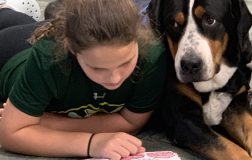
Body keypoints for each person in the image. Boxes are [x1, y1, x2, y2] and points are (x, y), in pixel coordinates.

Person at [0, 0, 166, 159]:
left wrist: (50, 123)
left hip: (68, 32)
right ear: (71, 49)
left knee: (27, 22)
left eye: (126, 62)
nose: (114, 78)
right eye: (97, 68)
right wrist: (91, 143)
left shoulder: (151, 55)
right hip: (12, 51)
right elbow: (10, 134)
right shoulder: (48, 58)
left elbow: (131, 123)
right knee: (8, 19)